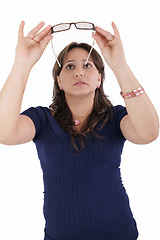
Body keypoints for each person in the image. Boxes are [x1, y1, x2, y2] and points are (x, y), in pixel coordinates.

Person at [0, 21, 159, 240]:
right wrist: (22, 64)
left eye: (88, 65)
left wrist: (120, 65)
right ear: (60, 81)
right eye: (70, 66)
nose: (79, 73)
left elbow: (148, 133)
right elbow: (5, 132)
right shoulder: (42, 119)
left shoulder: (115, 117)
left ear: (99, 78)